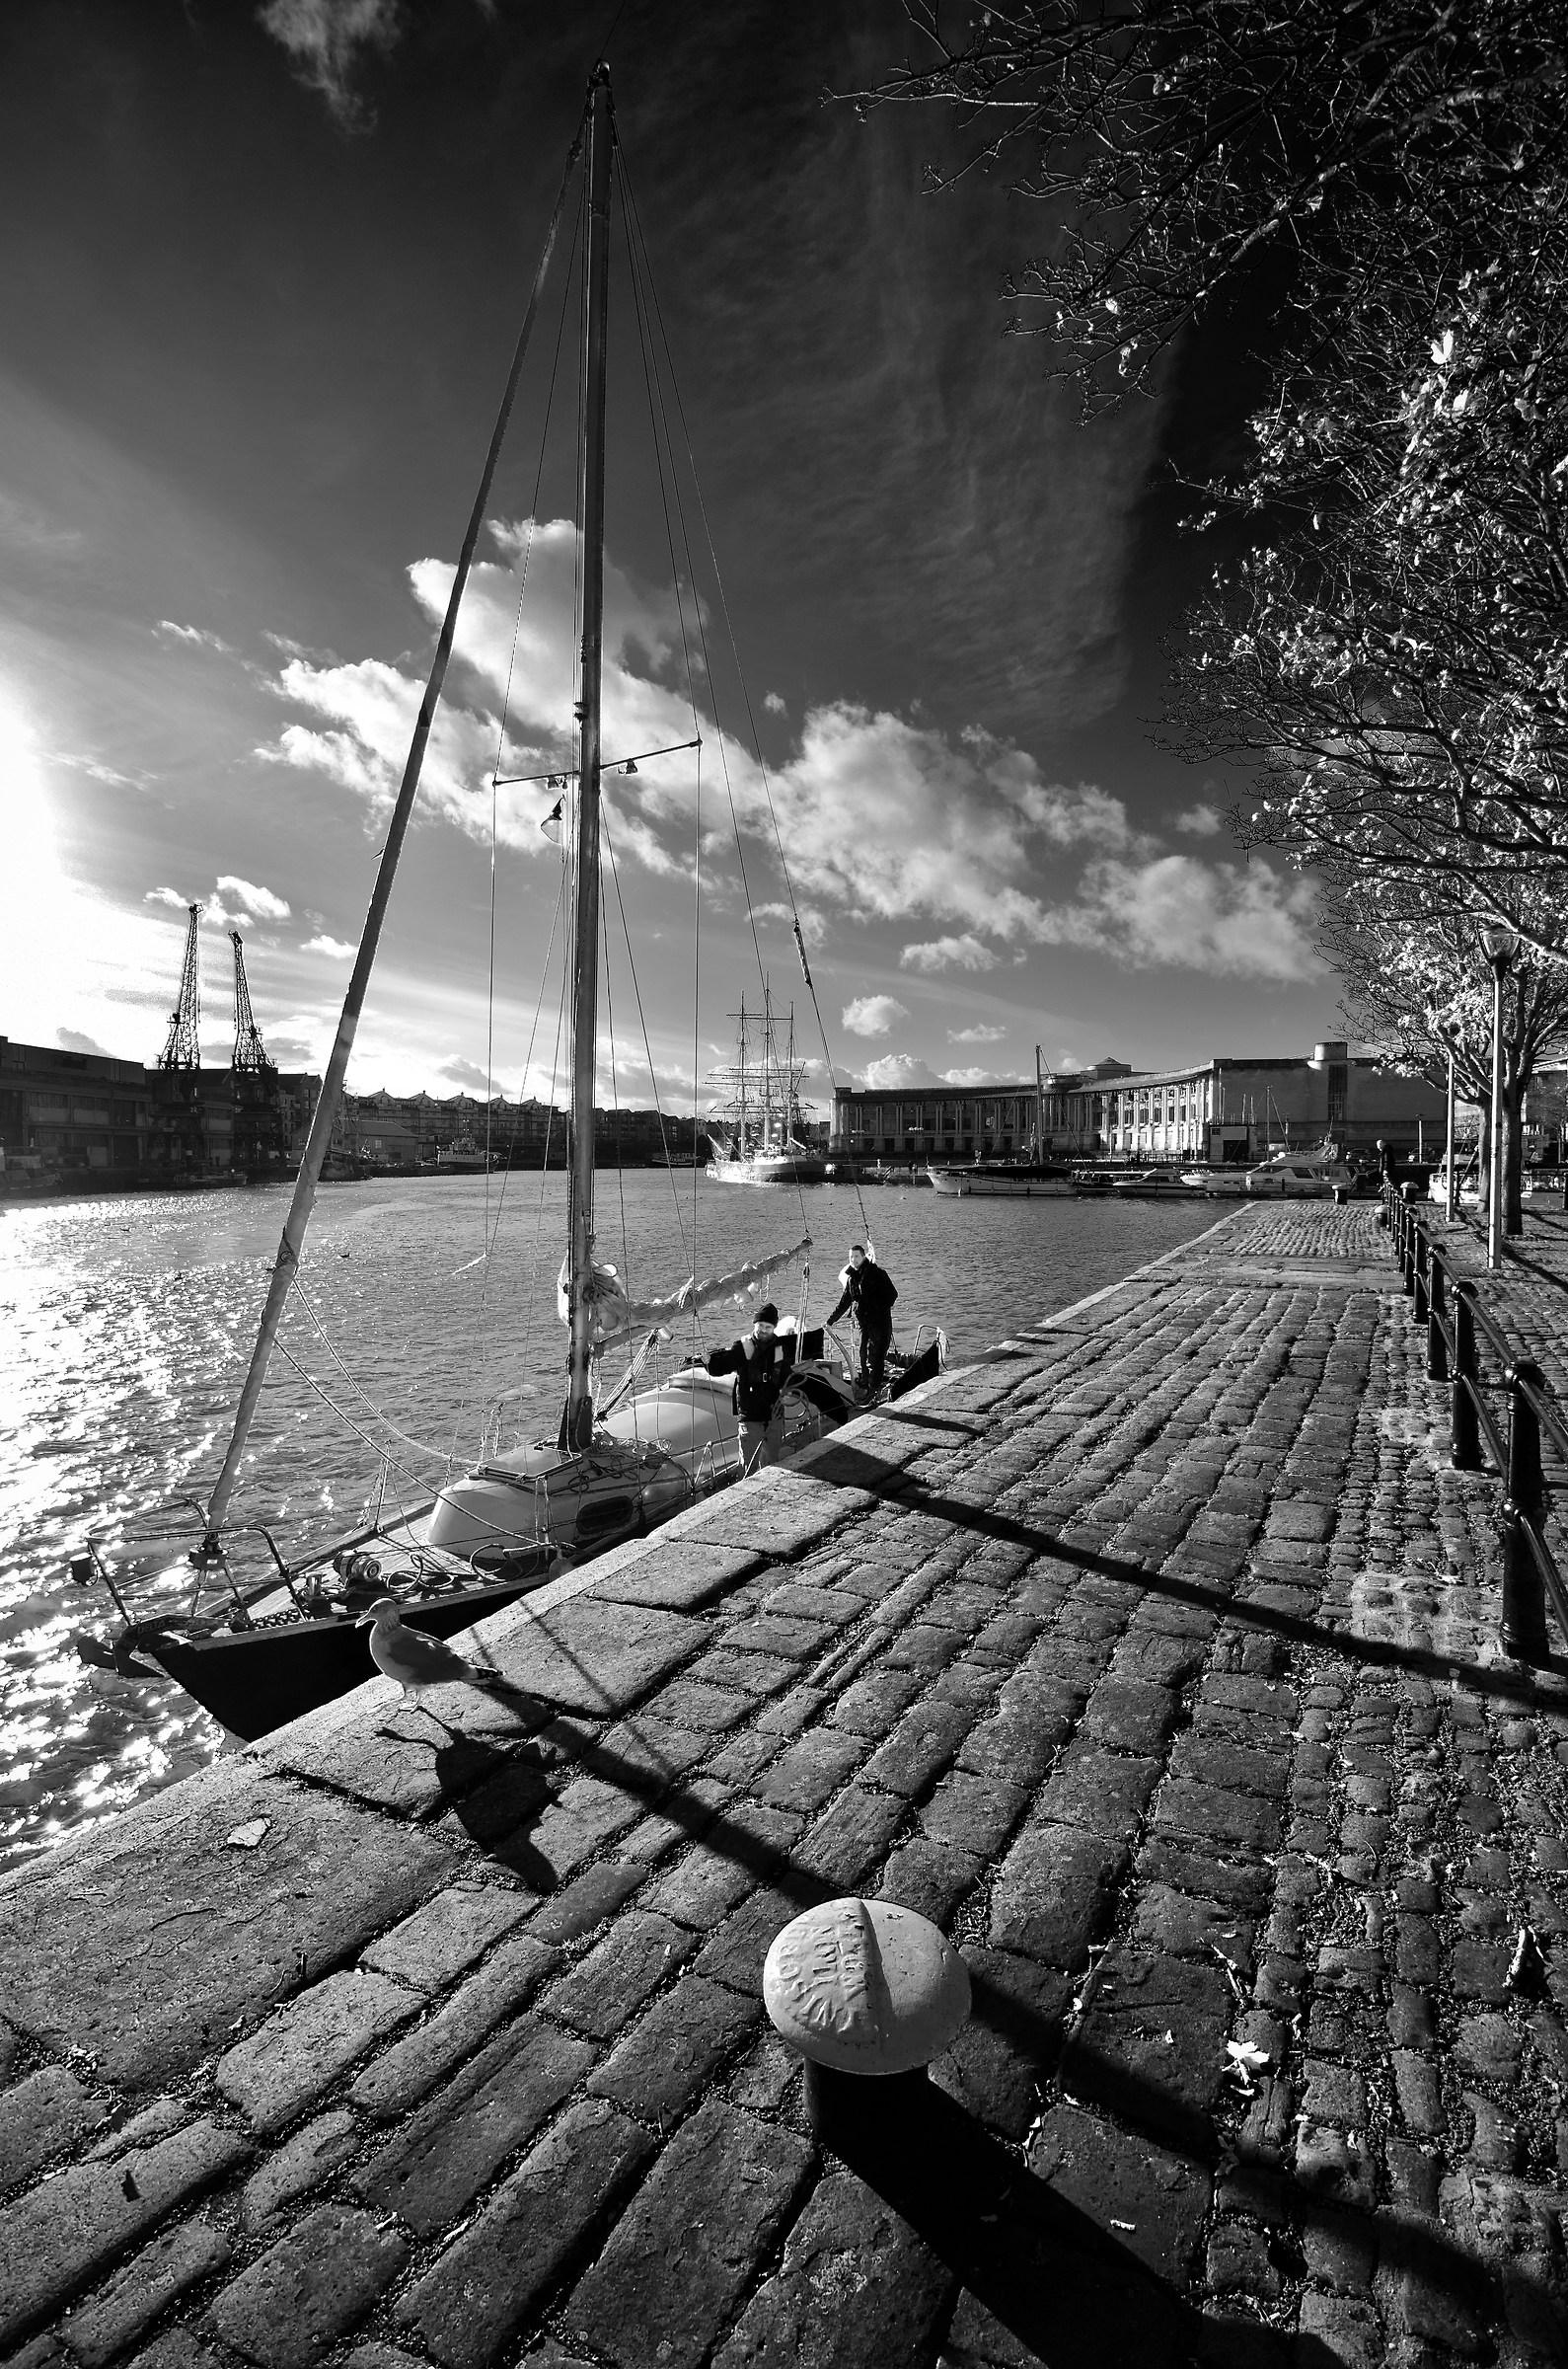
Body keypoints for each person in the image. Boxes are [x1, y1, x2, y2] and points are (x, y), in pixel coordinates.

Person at [707, 1301, 797, 1472]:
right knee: (748, 1465)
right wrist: (708, 1363)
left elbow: (788, 1375)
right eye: (760, 1325)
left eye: (768, 1327)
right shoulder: (741, 1347)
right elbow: (722, 1367)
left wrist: (787, 1390)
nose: (763, 1330)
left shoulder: (780, 1348)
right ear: (755, 1324)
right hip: (750, 1416)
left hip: (774, 1414)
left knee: (772, 1462)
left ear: (774, 1328)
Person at [826, 1243, 898, 1397]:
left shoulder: (877, 1274)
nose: (853, 1260)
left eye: (856, 1256)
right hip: (863, 1324)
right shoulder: (852, 1279)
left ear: (864, 1256)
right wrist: (830, 1321)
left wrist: (877, 1309)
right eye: (851, 1257)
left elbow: (892, 1295)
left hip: (879, 1323)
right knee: (862, 1355)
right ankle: (866, 1385)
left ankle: (875, 1389)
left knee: (875, 1356)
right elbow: (844, 1302)